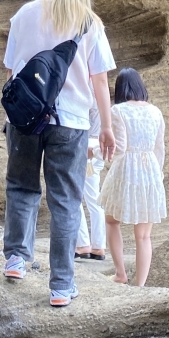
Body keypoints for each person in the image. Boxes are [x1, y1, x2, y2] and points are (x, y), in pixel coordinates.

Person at [1, 0, 116, 307]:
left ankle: (17, 259)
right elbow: (100, 82)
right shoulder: (89, 23)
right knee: (65, 200)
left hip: (26, 119)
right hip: (71, 123)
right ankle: (62, 286)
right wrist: (107, 127)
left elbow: (12, 73)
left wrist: (13, 116)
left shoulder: (24, 15)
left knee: (21, 186)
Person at [99, 67, 166, 287]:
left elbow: (119, 148)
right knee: (144, 235)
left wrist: (96, 152)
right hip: (151, 170)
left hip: (126, 171)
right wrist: (157, 174)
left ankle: (120, 274)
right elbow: (160, 148)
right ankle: (140, 286)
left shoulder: (118, 111)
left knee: (111, 221)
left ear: (119, 89)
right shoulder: (156, 111)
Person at [75, 103, 106, 261]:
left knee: (74, 196)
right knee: (94, 199)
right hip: (99, 146)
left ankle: (82, 245)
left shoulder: (85, 92)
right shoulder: (102, 93)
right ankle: (98, 246)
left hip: (85, 145)